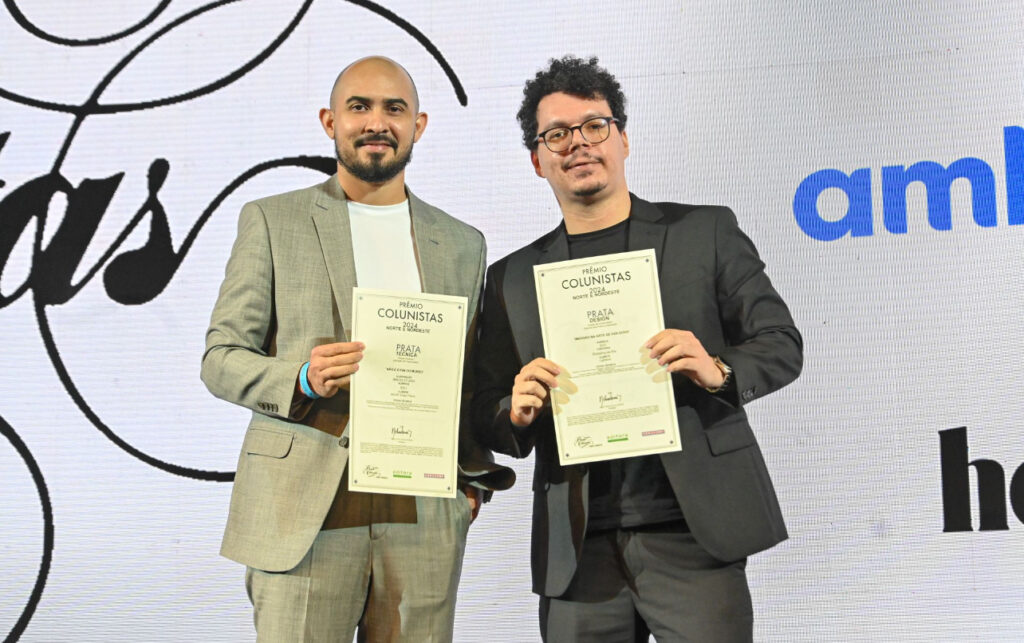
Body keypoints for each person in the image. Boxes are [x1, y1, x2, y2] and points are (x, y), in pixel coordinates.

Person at [472, 55, 803, 642]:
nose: (578, 143)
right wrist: (514, 412)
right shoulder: (511, 278)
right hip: (577, 547)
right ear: (537, 160)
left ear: (622, 139)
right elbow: (486, 407)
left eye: (594, 126)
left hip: (693, 533)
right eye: (556, 134)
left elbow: (781, 343)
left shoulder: (704, 233)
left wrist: (716, 368)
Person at [202, 56, 509, 642]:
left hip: (422, 514)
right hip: (305, 512)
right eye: (359, 106)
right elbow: (220, 358)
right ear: (330, 121)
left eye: (395, 108)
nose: (376, 122)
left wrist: (467, 482)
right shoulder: (272, 220)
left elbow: (466, 377)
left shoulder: (462, 243)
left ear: (418, 125)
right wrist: (300, 378)